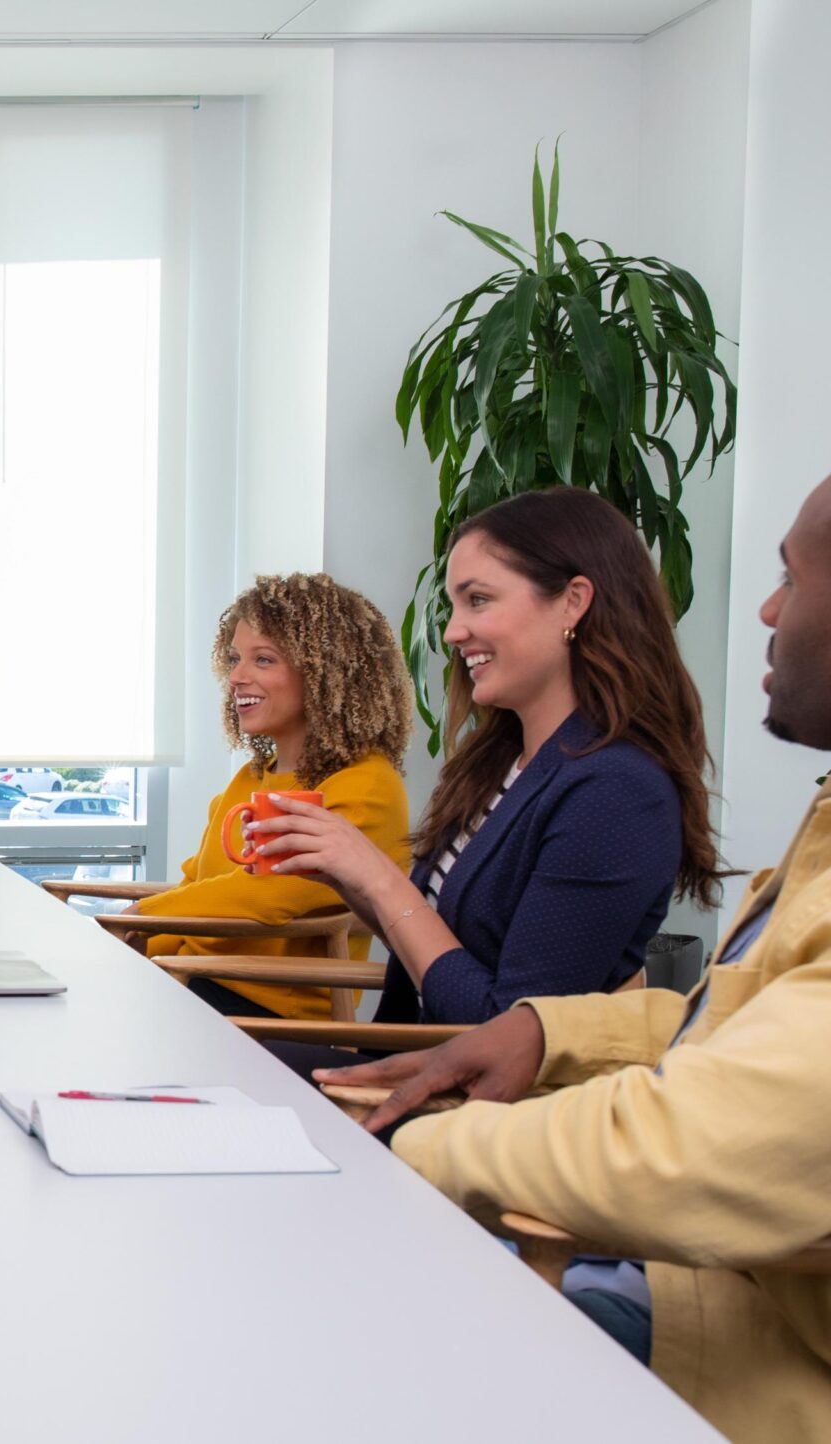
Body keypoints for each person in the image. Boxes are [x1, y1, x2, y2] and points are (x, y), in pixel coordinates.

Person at [320, 474, 831, 1444]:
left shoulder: (614, 789)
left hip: (727, 1325)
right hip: (688, 1275)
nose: (763, 608)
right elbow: (716, 1024)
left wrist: (421, 1144)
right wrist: (550, 1026)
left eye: (791, 579)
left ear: (573, 604)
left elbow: (692, 1145)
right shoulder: (818, 825)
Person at [241, 488, 723, 1073]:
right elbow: (437, 943)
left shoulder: (616, 792)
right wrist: (349, 875)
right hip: (410, 1067)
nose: (453, 632)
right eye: (455, 605)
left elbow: (504, 1028)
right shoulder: (502, 762)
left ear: (572, 602)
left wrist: (377, 876)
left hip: (473, 1111)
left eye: (478, 600)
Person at [126, 575, 413, 1020]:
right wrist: (129, 951)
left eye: (263, 660)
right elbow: (196, 890)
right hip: (192, 983)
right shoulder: (250, 779)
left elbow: (267, 896)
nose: (237, 677)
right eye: (235, 659)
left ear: (323, 672)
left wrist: (140, 916)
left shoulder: (366, 785)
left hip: (266, 1015)